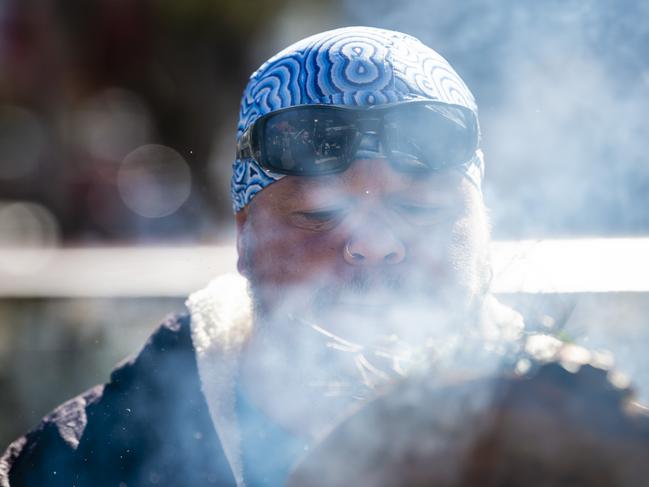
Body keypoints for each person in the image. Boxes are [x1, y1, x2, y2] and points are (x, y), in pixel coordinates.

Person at [0, 26, 523, 486]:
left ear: (482, 232)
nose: (374, 242)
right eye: (319, 216)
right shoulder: (92, 463)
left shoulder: (573, 434)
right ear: (244, 237)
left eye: (418, 208)